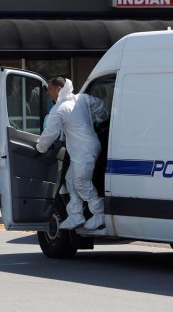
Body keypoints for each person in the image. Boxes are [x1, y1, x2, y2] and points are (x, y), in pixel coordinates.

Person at [36, 77, 109, 230]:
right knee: (70, 180)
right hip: (84, 149)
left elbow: (50, 133)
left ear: (58, 89)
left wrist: (40, 148)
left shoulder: (59, 109)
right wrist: (102, 119)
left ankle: (99, 213)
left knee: (81, 182)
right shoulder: (82, 99)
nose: (48, 94)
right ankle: (76, 215)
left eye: (49, 90)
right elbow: (99, 106)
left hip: (84, 151)